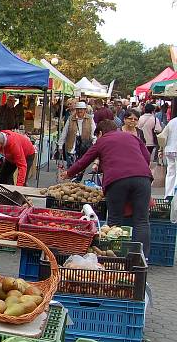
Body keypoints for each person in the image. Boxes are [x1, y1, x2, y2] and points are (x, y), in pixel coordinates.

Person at [61, 119, 153, 258]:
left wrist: (69, 173)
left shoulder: (102, 141)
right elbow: (146, 156)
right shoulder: (131, 136)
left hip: (117, 180)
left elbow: (85, 160)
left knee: (115, 221)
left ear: (101, 133)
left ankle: (114, 256)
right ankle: (141, 257)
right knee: (141, 221)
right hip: (142, 178)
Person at [58, 101, 95, 174]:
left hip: (83, 147)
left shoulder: (90, 119)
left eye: (81, 109)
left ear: (85, 110)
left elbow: (93, 133)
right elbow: (64, 132)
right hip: (71, 146)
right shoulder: (71, 118)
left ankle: (76, 181)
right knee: (71, 167)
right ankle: (71, 181)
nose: (79, 111)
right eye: (78, 109)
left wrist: (94, 144)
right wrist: (60, 145)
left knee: (81, 167)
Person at [159, 115, 177, 198]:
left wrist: (161, 150)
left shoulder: (172, 121)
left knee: (170, 173)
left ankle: (168, 195)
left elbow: (162, 135)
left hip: (169, 149)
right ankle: (174, 196)